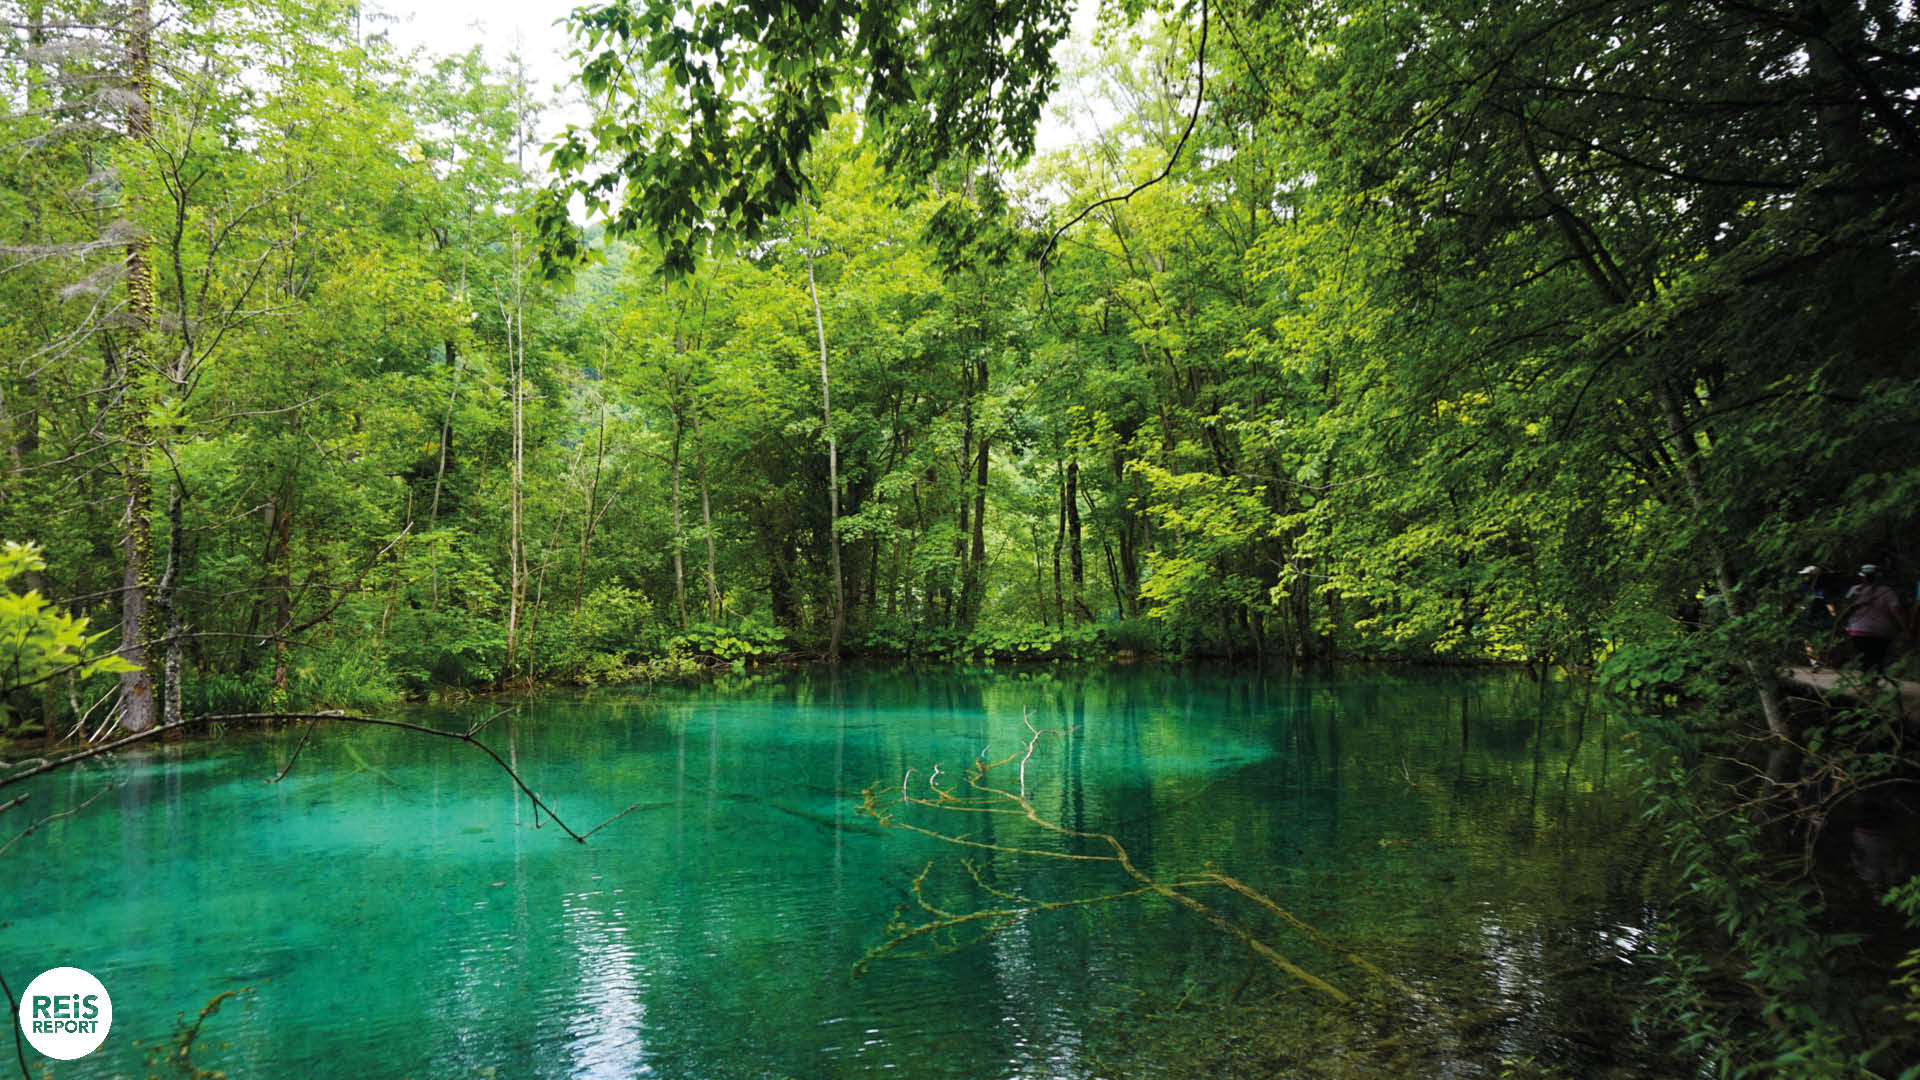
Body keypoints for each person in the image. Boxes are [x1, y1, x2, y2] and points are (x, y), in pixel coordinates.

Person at [1838, 564, 1906, 675]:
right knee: (1877, 658)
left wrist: (1842, 623)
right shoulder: (1887, 591)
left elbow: (1846, 609)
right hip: (1881, 632)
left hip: (1858, 630)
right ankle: (1872, 683)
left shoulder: (1855, 591)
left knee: (1865, 657)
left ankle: (1868, 683)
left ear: (1862, 576)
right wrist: (1904, 629)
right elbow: (1896, 611)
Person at [1797, 565, 1833, 669]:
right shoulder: (1802, 588)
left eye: (1806, 575)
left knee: (1818, 640)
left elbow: (1827, 602)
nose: (1804, 577)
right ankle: (1814, 661)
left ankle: (1817, 660)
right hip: (1806, 617)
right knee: (1808, 640)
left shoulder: (1822, 589)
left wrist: (1832, 614)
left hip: (1819, 618)